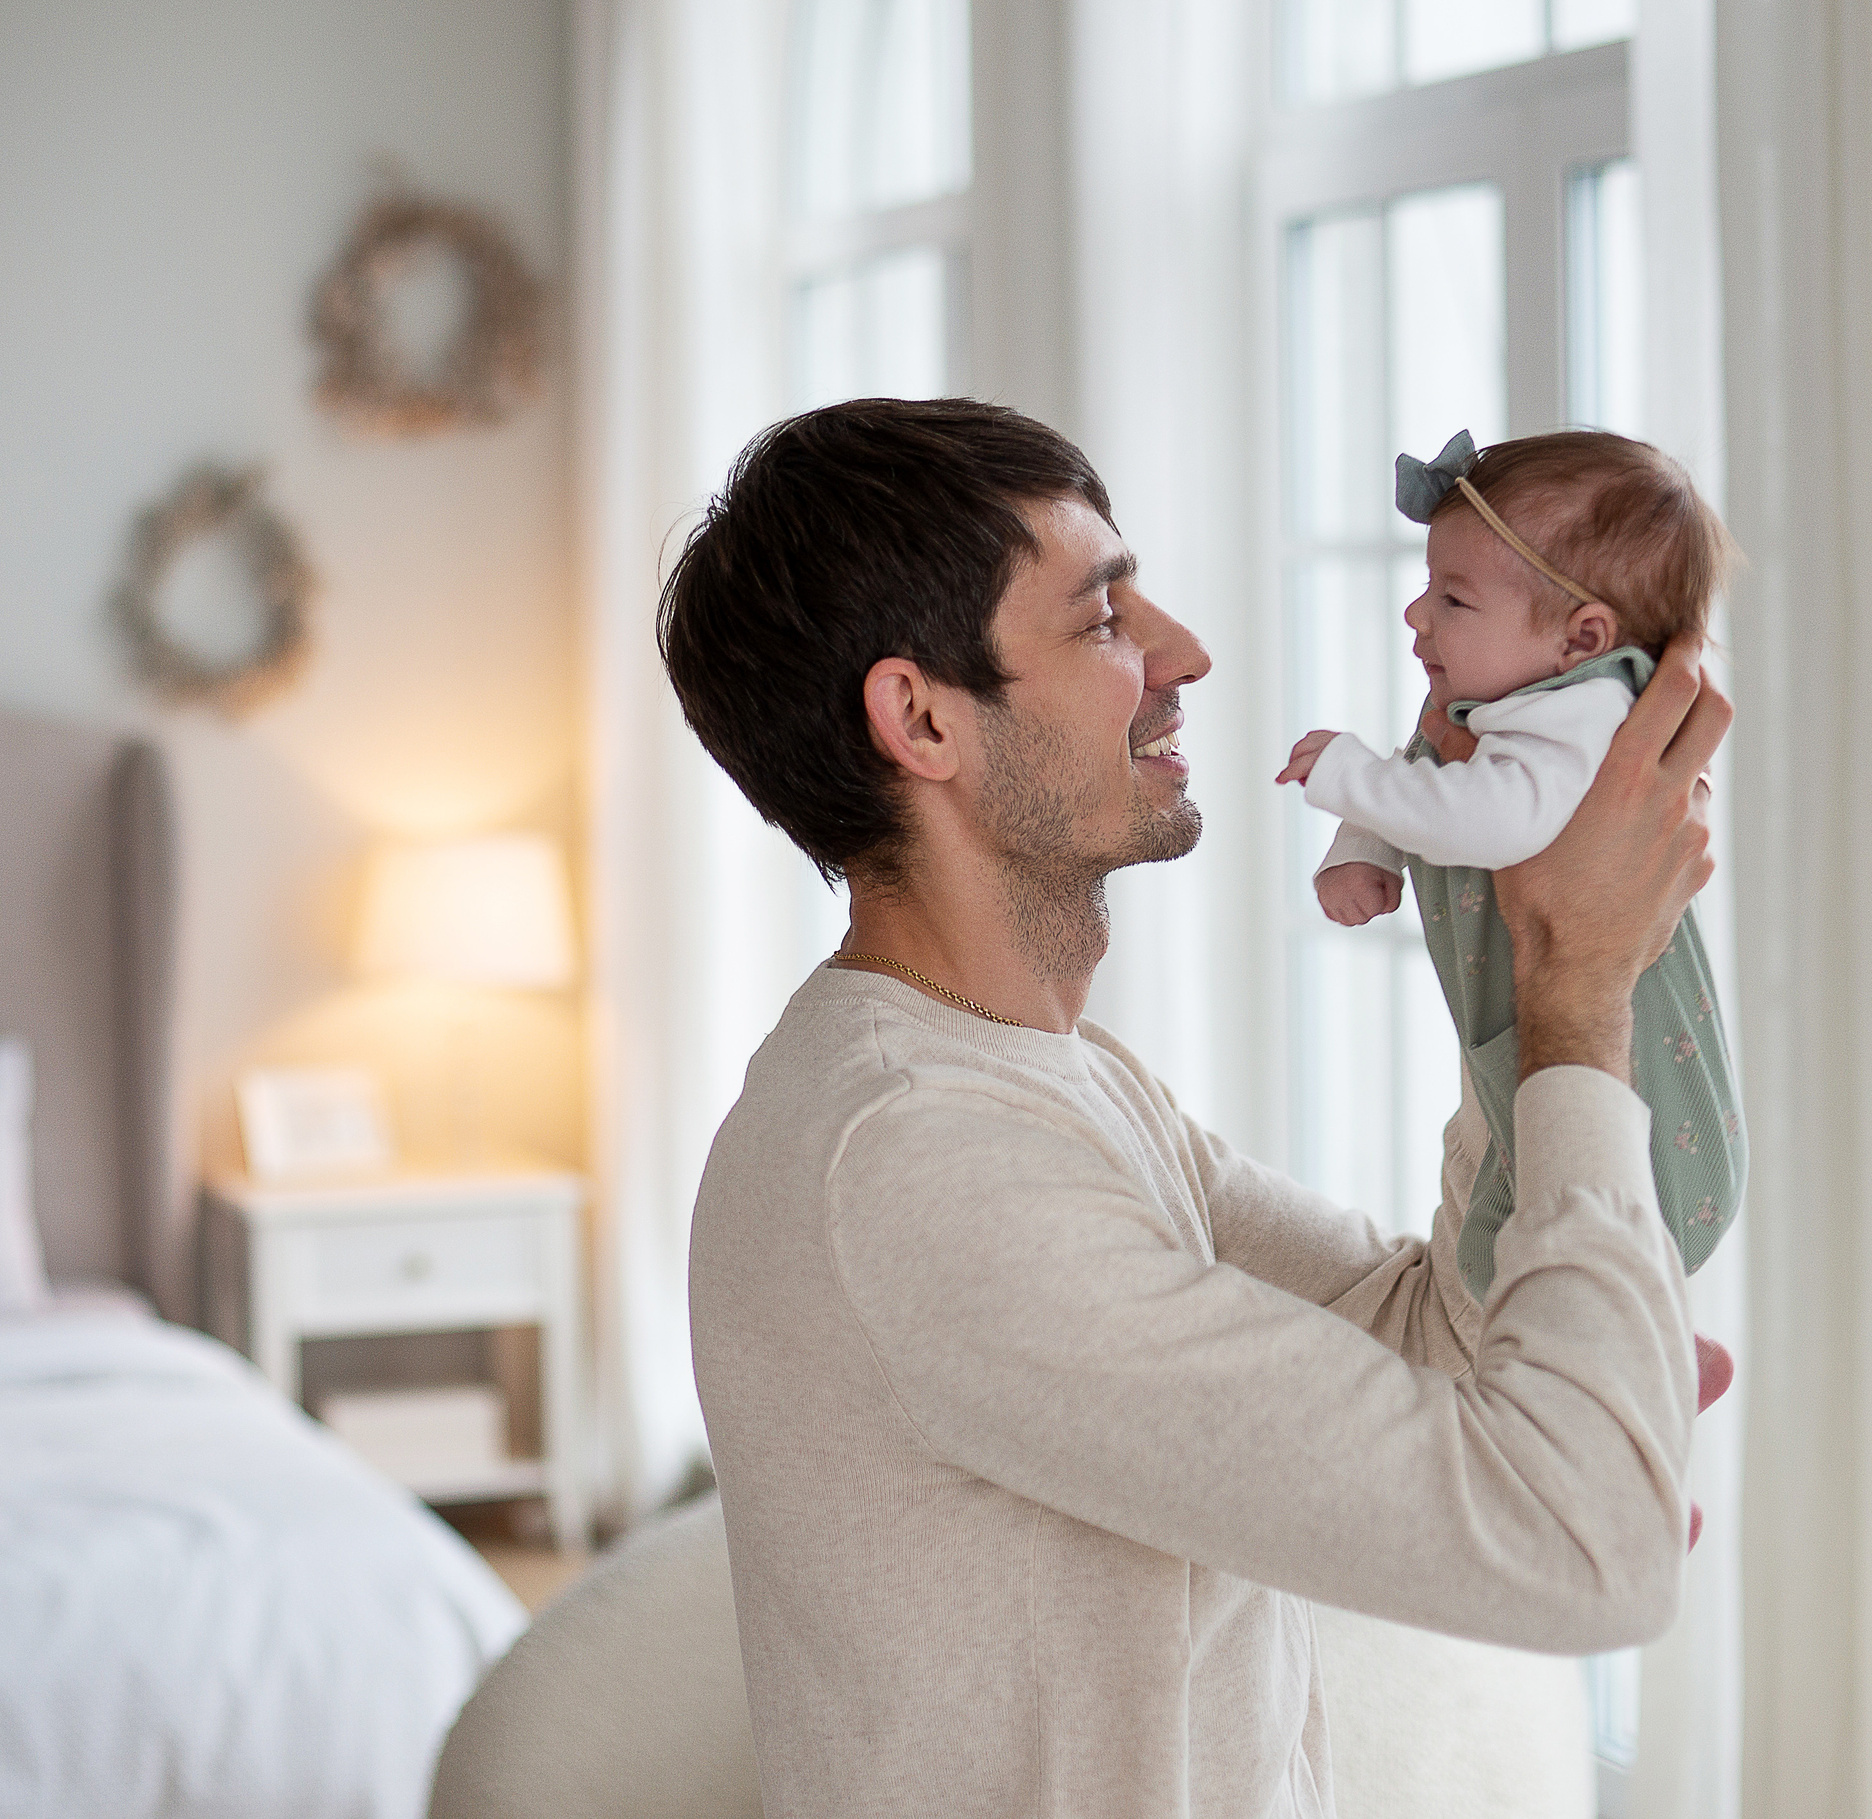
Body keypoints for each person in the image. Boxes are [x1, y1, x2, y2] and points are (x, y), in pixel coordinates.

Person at [664, 397, 1734, 1819]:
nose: (1185, 654)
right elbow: (1586, 1546)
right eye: (1104, 618)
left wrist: (1516, 933)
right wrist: (1579, 992)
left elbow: (1431, 1329)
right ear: (922, 716)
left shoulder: (1054, 1078)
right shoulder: (921, 1163)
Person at [1275, 429, 1747, 1301]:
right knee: (1528, 1206)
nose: (1417, 616)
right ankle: (1646, 1345)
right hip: (1521, 1013)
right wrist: (1364, 847)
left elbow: (1491, 818)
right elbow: (1424, 771)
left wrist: (1346, 776)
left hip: (1608, 1025)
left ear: (1582, 638)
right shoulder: (1505, 705)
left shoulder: (1587, 716)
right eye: (1426, 589)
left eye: (1453, 599)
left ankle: (1628, 1350)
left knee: (1585, 1202)